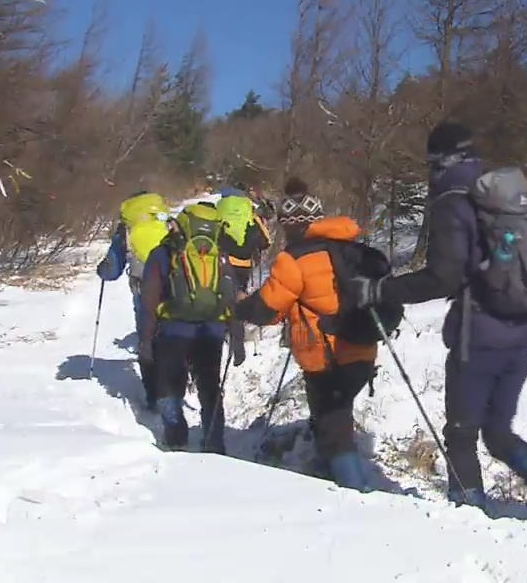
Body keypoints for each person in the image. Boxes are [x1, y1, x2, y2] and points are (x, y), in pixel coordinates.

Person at [346, 122, 527, 515]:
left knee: (461, 433)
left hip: (479, 335)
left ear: (439, 160)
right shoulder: (499, 194)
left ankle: (468, 517)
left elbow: (444, 276)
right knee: (498, 431)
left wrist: (380, 290)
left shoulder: (452, 201)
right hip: (522, 329)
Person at [235, 177, 378, 492]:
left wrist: (241, 307)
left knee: (335, 426)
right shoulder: (353, 249)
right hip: (362, 349)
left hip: (325, 357)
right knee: (333, 417)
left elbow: (267, 310)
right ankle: (330, 475)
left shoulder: (295, 259)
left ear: (288, 226)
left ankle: (358, 496)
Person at [138, 203, 246, 454]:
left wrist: (145, 340)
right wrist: (237, 336)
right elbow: (232, 296)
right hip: (213, 330)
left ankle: (175, 438)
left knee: (170, 384)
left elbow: (149, 299)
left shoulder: (164, 253)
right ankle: (214, 442)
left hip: (173, 330)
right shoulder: (219, 254)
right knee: (209, 384)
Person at [96, 191, 171, 410]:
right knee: (170, 336)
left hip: (143, 289)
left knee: (147, 340)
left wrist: (103, 269)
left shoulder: (127, 229)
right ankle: (175, 387)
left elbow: (111, 270)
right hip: (172, 288)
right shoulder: (166, 222)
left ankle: (154, 396)